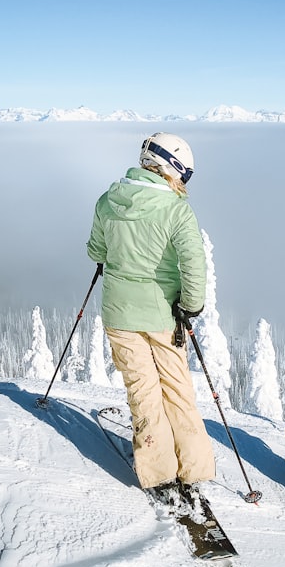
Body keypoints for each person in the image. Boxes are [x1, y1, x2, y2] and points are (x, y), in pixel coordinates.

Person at [86, 132, 215, 503]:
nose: (184, 183)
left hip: (120, 314)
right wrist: (190, 306)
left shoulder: (108, 200)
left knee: (142, 391)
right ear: (170, 167)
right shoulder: (176, 209)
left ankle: (158, 473)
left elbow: (95, 249)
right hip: (163, 314)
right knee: (177, 389)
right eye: (185, 175)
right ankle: (193, 467)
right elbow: (193, 262)